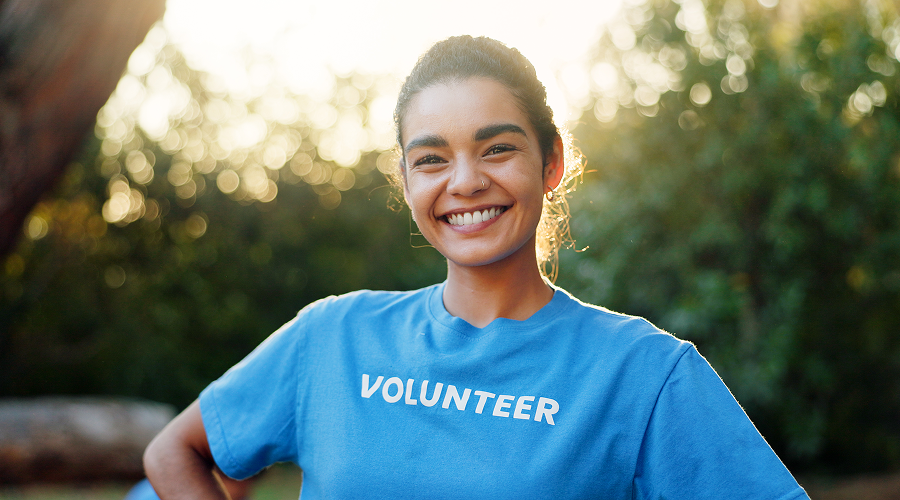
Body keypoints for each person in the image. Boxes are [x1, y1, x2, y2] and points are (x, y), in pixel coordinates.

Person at [143, 35, 810, 499]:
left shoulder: (644, 374)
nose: (464, 182)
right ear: (405, 182)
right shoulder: (332, 337)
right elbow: (173, 452)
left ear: (551, 163)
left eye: (496, 149)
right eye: (432, 159)